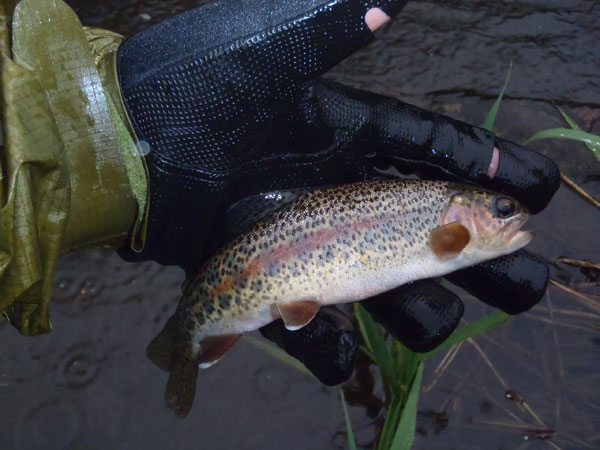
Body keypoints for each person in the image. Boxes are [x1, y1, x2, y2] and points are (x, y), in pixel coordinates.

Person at [0, 0, 559, 386]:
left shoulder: (450, 230)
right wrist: (110, 116)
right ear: (460, 217)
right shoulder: (449, 227)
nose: (509, 215)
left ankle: (190, 334)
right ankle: (189, 338)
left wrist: (104, 132)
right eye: (501, 209)